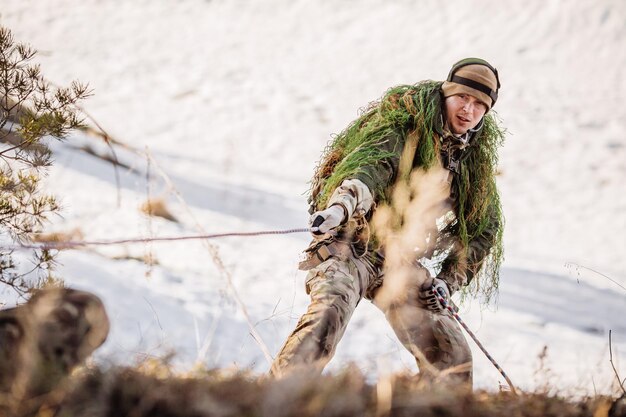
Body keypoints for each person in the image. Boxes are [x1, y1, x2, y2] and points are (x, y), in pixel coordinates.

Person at [271, 58, 505, 386]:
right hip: (350, 245)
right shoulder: (404, 128)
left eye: (480, 104)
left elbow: (484, 228)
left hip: (399, 260)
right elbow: (372, 166)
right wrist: (342, 205)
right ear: (446, 94)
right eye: (462, 98)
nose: (468, 109)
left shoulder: (472, 161)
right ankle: (274, 399)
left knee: (451, 354)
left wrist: (447, 282)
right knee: (325, 319)